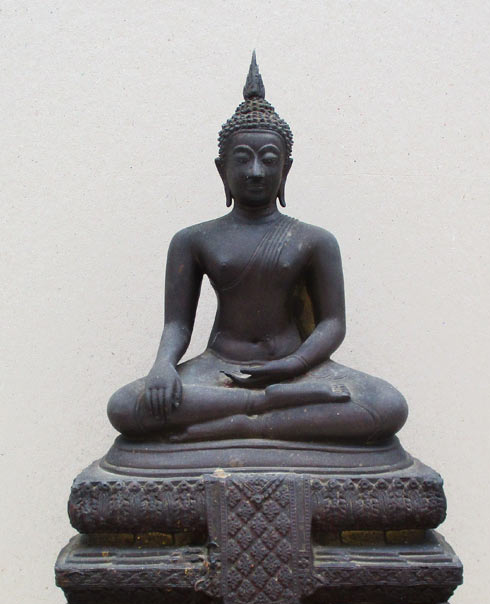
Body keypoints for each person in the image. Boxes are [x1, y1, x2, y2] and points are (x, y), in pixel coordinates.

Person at [108, 54, 407, 445]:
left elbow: (333, 323)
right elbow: (177, 324)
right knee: (124, 406)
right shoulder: (192, 240)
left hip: (297, 371)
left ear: (286, 169)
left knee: (388, 405)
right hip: (219, 369)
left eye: (268, 160)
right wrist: (163, 366)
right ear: (222, 170)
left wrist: (293, 365)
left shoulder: (315, 240)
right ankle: (263, 406)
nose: (255, 171)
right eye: (242, 159)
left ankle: (244, 423)